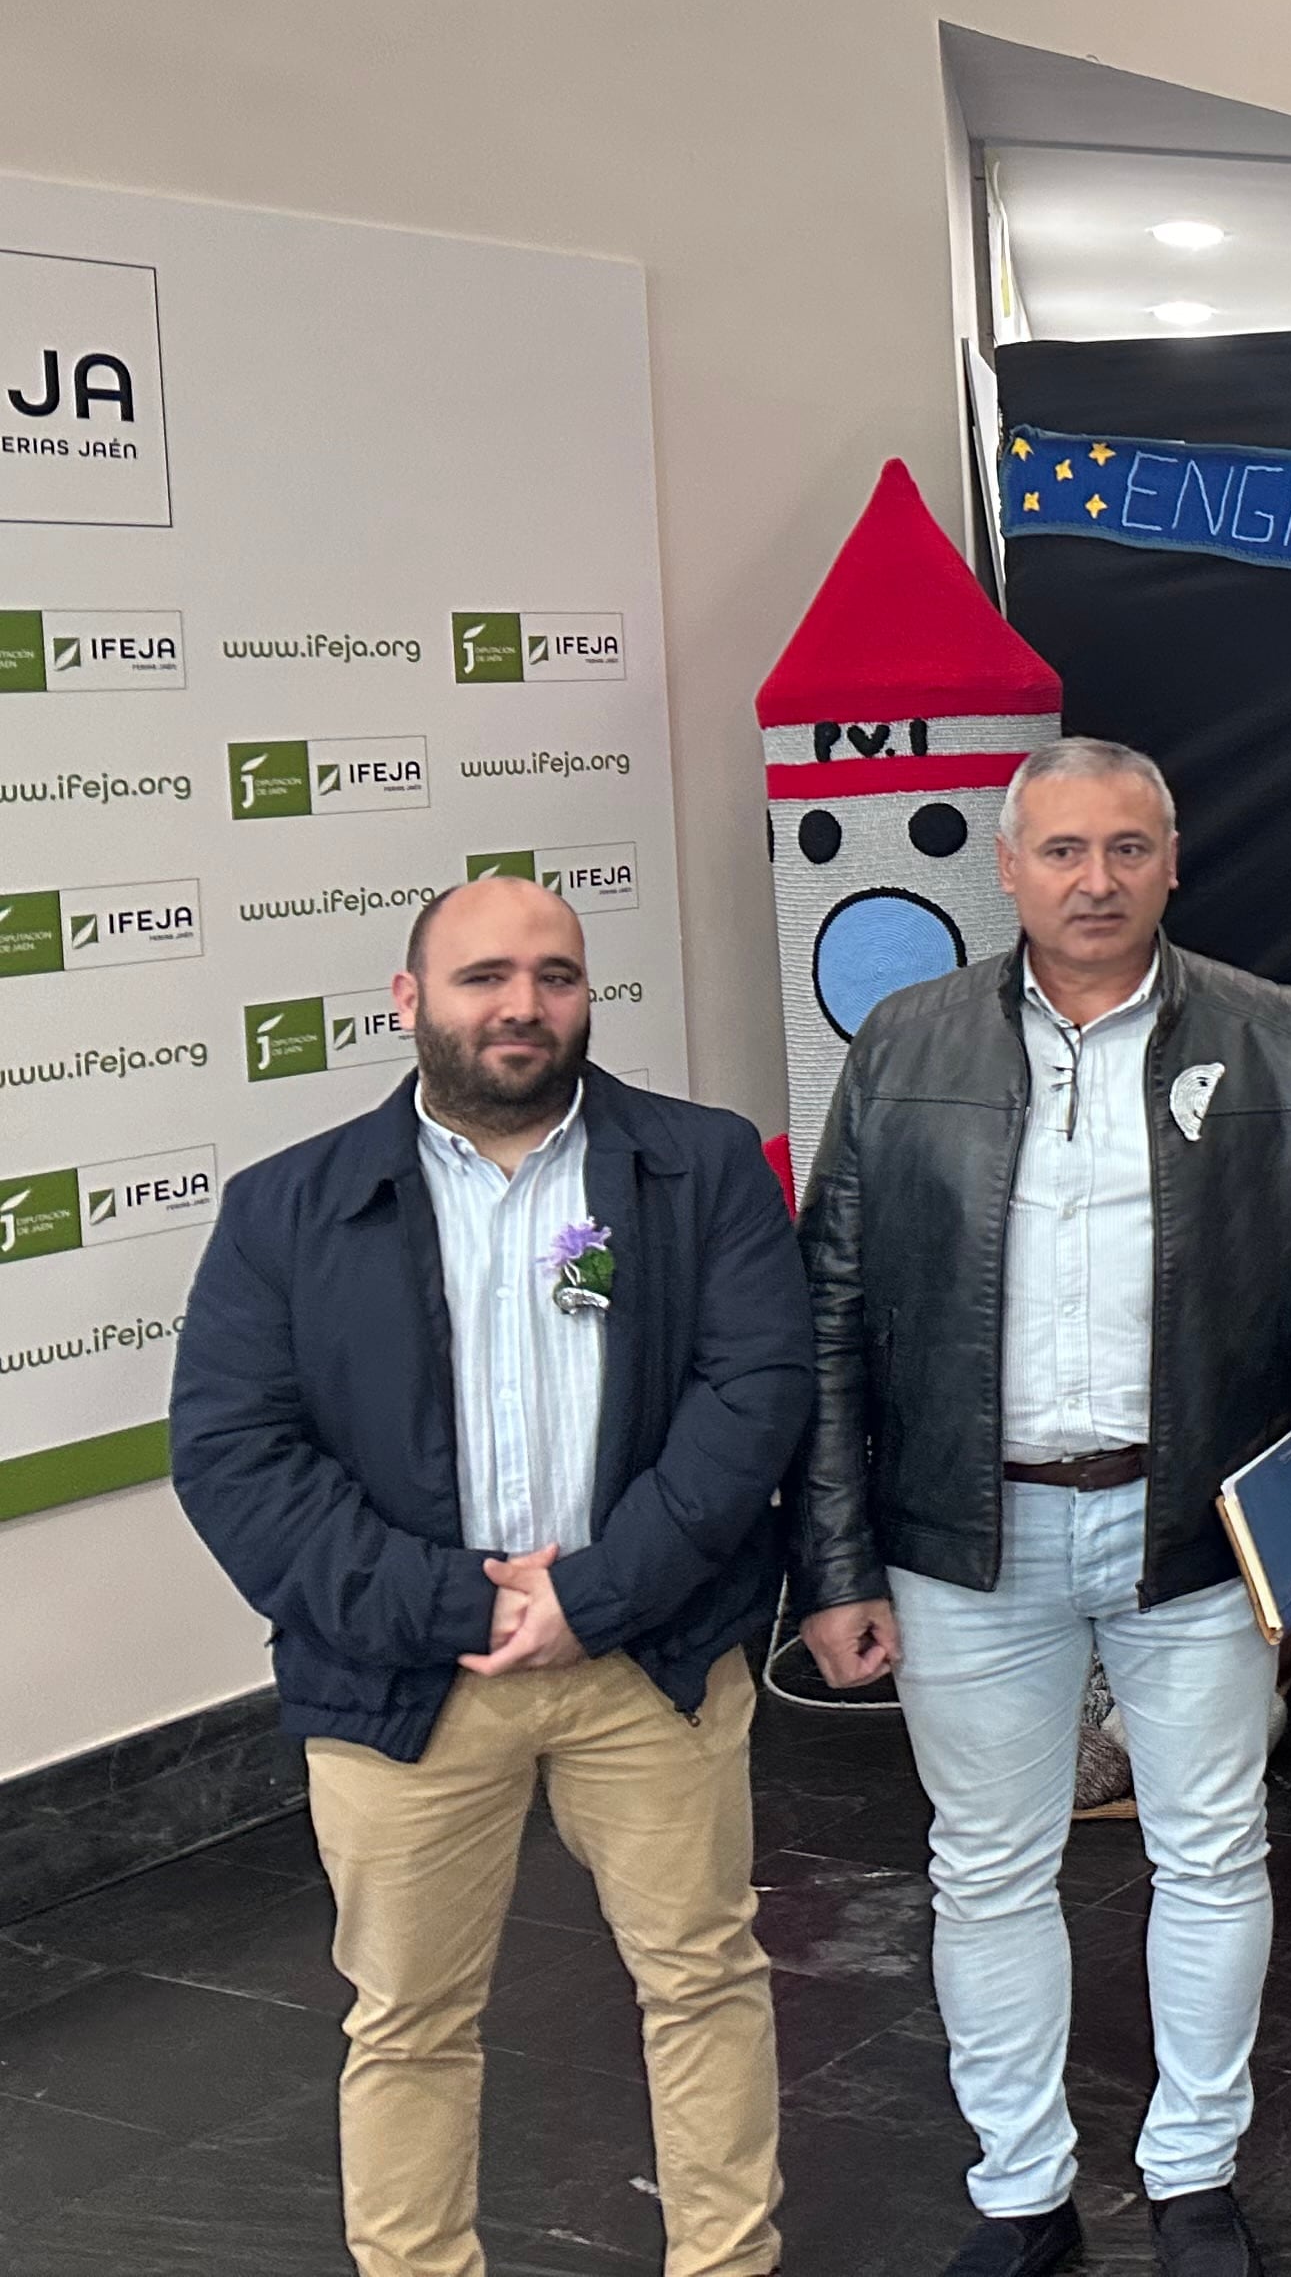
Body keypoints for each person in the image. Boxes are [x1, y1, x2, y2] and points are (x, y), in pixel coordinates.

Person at [794, 735, 1291, 2277]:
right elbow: (828, 1312)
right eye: (1062, 850)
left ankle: (1193, 2178)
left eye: (1127, 848)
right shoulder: (903, 1043)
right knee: (986, 1867)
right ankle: (1022, 2194)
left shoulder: (1280, 1038)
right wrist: (833, 1556)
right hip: (960, 1538)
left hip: (1194, 1534)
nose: (1095, 879)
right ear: (1004, 868)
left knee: (1215, 1851)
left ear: (1173, 862)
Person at [169, 874, 808, 2277]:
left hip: (646, 1658)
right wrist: (459, 1606)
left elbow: (751, 1398)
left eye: (557, 976)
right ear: (409, 1002)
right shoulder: (288, 1210)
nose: (523, 1005)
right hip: (404, 1683)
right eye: (483, 977)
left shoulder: (698, 1171)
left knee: (702, 1981)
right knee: (405, 2019)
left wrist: (595, 1594)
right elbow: (236, 1458)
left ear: (586, 997)